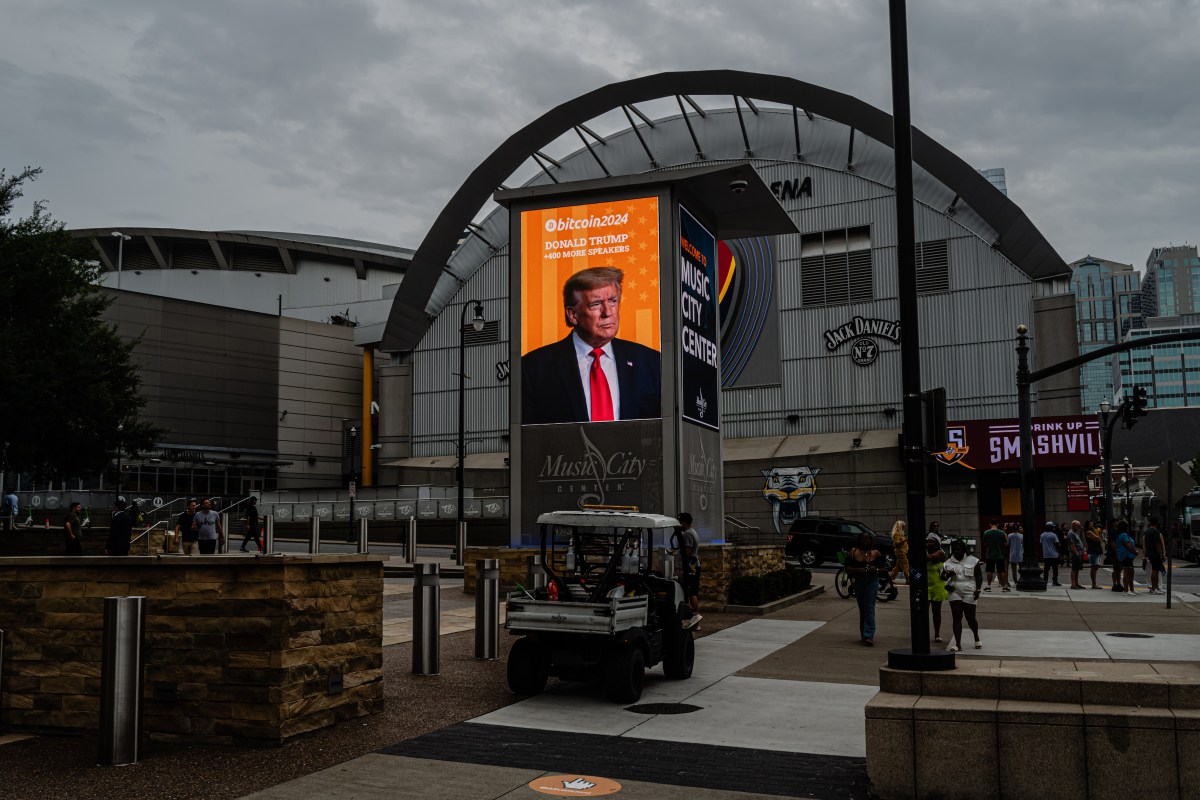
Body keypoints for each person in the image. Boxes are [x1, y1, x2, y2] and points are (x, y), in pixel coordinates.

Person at [521, 267, 661, 425]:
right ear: (573, 315)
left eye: (613, 301)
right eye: (596, 304)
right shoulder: (533, 369)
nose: (608, 312)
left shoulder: (651, 363)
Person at [942, 539, 983, 652]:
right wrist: (948, 575)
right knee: (956, 617)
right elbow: (943, 577)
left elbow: (978, 576)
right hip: (954, 591)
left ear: (964, 549)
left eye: (958, 549)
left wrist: (978, 589)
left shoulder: (973, 560)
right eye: (954, 550)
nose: (956, 552)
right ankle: (958, 644)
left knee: (970, 618)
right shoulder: (948, 562)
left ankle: (976, 637)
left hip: (969, 591)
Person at [845, 532, 886, 646]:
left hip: (872, 581)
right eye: (863, 538)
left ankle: (869, 635)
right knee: (862, 608)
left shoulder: (876, 553)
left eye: (868, 539)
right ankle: (864, 634)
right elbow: (847, 568)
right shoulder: (853, 552)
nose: (865, 541)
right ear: (860, 540)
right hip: (859, 582)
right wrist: (858, 570)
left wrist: (876, 570)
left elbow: (884, 569)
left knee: (869, 607)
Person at [671, 511, 701, 616]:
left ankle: (694, 615)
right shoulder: (693, 531)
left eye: (680, 523)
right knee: (692, 590)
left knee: (690, 590)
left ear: (684, 522)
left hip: (690, 564)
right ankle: (693, 614)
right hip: (694, 563)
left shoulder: (687, 534)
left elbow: (687, 551)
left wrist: (676, 554)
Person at [926, 533, 949, 643]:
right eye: (927, 541)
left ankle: (937, 634)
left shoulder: (940, 552)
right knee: (923, 612)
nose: (928, 543)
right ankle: (924, 633)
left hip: (937, 586)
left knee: (936, 611)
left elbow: (930, 557)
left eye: (931, 542)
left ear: (936, 544)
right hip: (925, 586)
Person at [981, 521, 1009, 592]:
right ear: (997, 524)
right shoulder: (1002, 533)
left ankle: (988, 586)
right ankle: (1004, 587)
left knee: (989, 571)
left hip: (990, 555)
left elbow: (985, 543)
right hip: (1000, 555)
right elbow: (1005, 543)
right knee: (1002, 570)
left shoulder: (986, 532)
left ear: (990, 524)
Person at [1143, 517, 1165, 595]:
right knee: (1155, 571)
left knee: (1153, 571)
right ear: (1156, 523)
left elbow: (1145, 543)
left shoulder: (1147, 531)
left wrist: (1145, 554)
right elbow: (1157, 544)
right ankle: (1155, 588)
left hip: (1149, 553)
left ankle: (1153, 588)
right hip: (1155, 554)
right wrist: (1161, 553)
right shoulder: (1156, 531)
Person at [1115, 521, 1138, 595]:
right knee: (1127, 572)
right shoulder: (1124, 535)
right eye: (1127, 527)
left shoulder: (1121, 535)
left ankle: (1131, 589)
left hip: (1127, 556)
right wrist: (1135, 552)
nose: (1128, 528)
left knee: (1131, 572)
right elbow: (1128, 545)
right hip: (1126, 555)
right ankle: (1126, 590)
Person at [888, 520, 910, 584]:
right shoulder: (896, 534)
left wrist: (905, 540)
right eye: (903, 526)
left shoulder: (901, 533)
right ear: (900, 526)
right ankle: (908, 579)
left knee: (898, 566)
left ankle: (891, 578)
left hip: (902, 551)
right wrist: (905, 540)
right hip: (900, 552)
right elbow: (896, 543)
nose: (904, 528)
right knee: (906, 565)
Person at [1085, 522, 1105, 589]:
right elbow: (1097, 538)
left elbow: (1099, 538)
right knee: (1093, 567)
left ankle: (1094, 584)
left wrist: (1098, 538)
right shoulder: (1088, 532)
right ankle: (1094, 584)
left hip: (1097, 551)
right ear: (1087, 525)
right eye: (1090, 524)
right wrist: (1098, 538)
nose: (1092, 525)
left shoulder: (1094, 531)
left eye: (1092, 524)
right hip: (1093, 551)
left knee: (1096, 567)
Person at [1066, 520, 1085, 589]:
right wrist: (1076, 553)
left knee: (1077, 569)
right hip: (1075, 554)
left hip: (1079, 554)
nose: (1079, 527)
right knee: (1074, 568)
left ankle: (1077, 583)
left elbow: (1082, 540)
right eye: (1078, 526)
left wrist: (1082, 531)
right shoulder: (1071, 533)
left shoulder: (1075, 533)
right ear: (1073, 525)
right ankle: (1073, 584)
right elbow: (1072, 544)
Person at [1107, 521, 1123, 592]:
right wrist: (1117, 552)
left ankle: (1118, 583)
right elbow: (1112, 543)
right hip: (1115, 553)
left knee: (1118, 569)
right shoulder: (1113, 532)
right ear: (1113, 523)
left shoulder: (1117, 531)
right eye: (1116, 521)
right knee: (1116, 569)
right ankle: (1115, 584)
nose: (1117, 522)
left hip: (1117, 553)